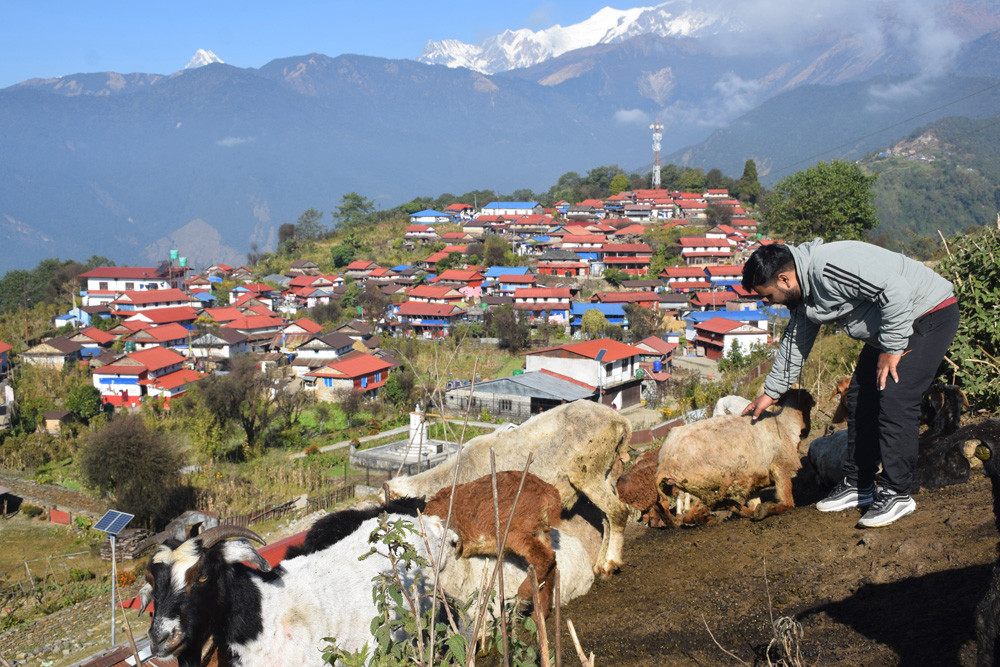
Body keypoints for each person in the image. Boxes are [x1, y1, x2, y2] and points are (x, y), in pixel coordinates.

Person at [741, 239, 959, 528]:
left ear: (783, 279)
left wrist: (892, 349)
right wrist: (771, 392)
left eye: (767, 295)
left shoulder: (831, 266)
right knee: (859, 396)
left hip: (927, 314)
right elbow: (796, 341)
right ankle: (859, 483)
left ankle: (897, 492)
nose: (769, 302)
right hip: (891, 325)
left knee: (895, 395)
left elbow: (895, 291)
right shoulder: (803, 291)